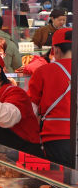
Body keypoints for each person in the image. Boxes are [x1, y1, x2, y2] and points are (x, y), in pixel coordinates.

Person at [29, 29, 74, 168]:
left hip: (55, 138)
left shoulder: (43, 71)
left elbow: (31, 110)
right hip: (69, 136)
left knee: (60, 179)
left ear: (56, 50)